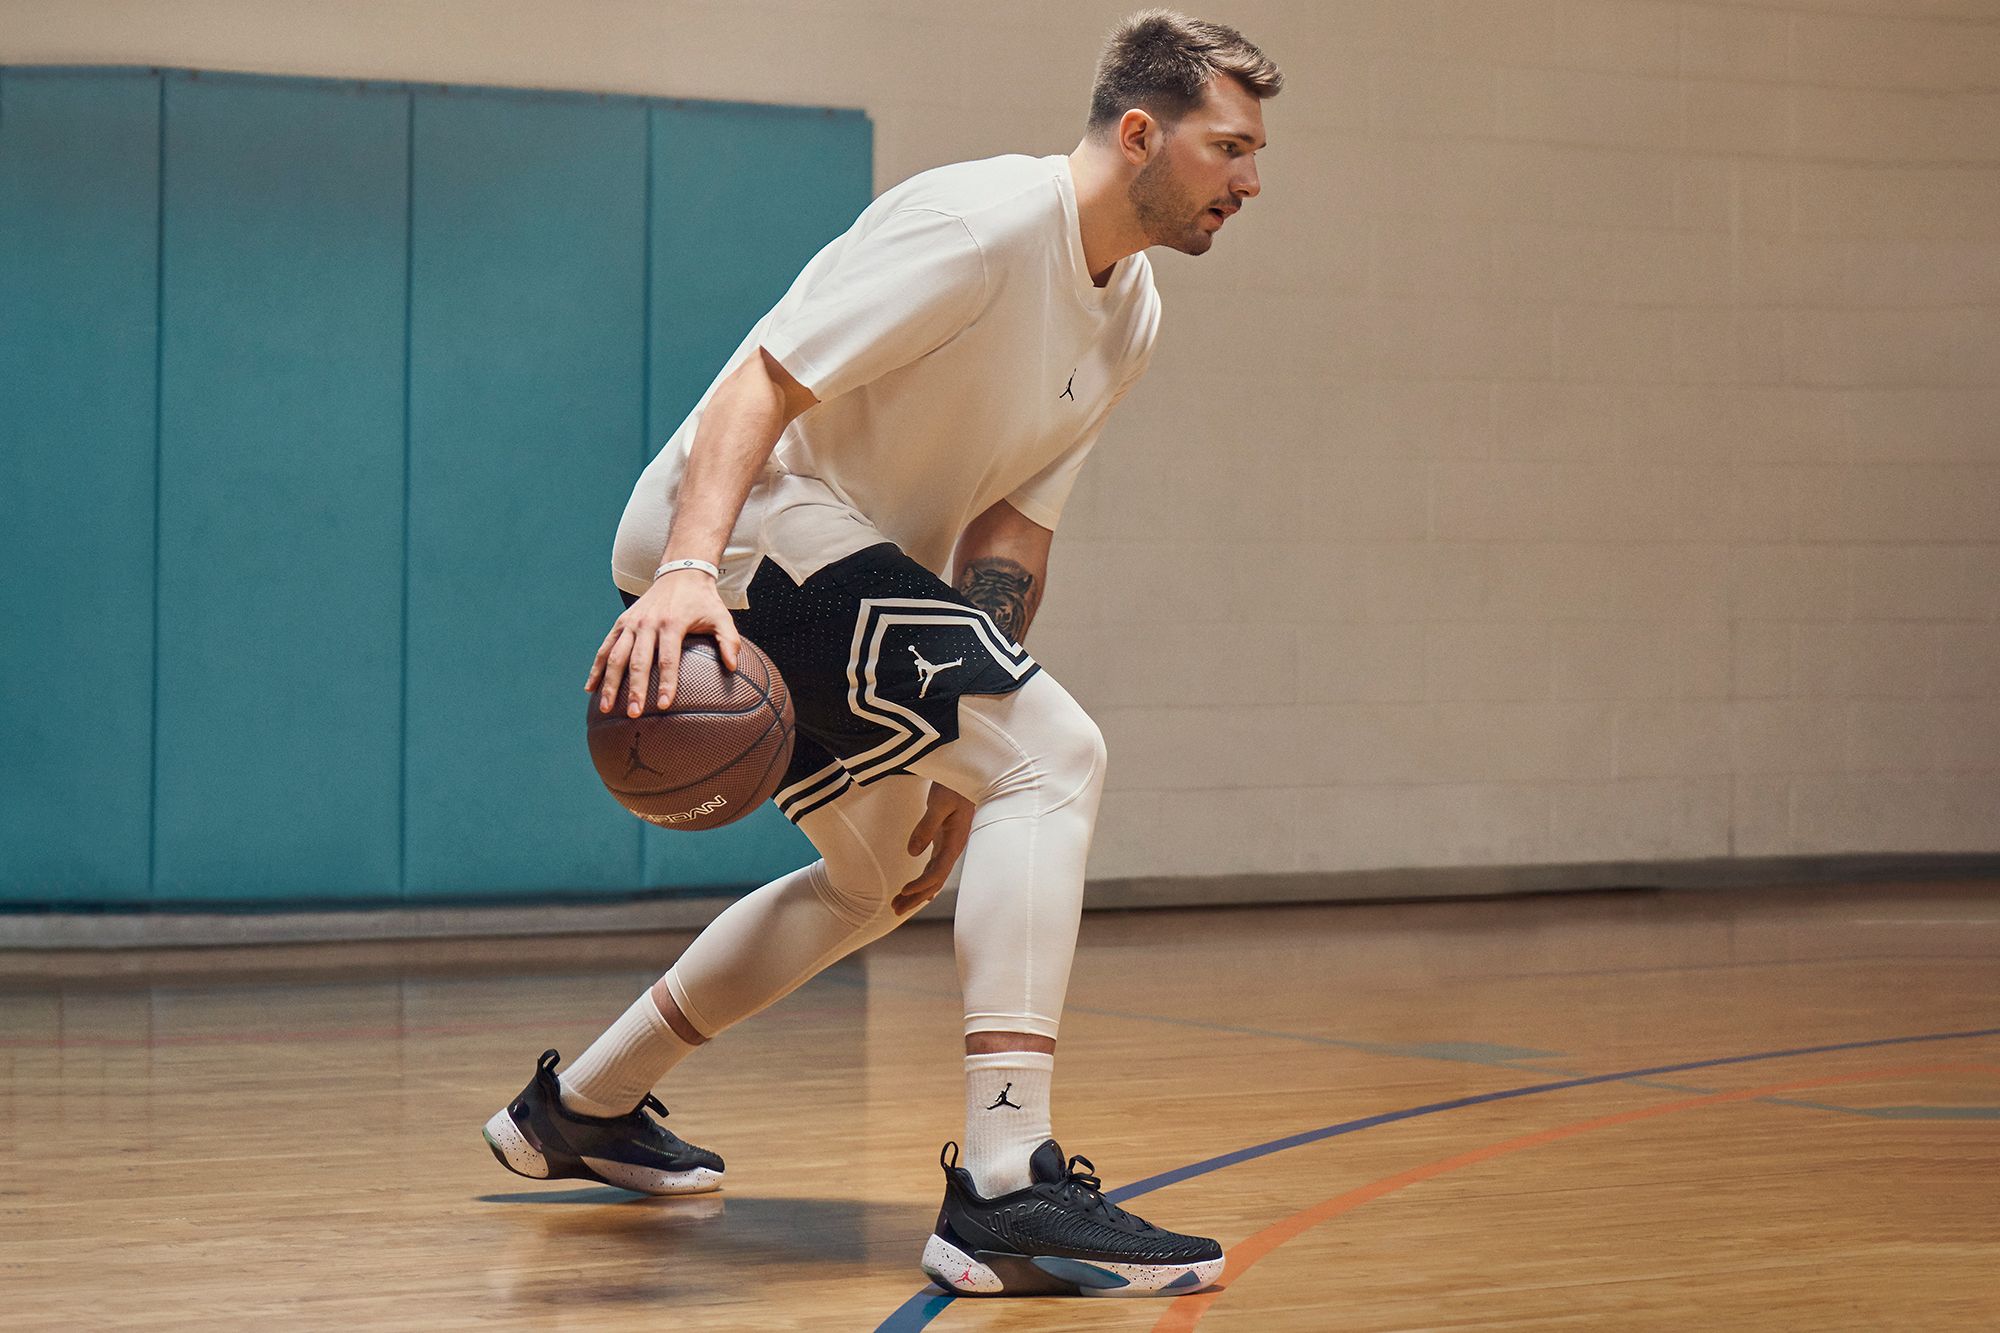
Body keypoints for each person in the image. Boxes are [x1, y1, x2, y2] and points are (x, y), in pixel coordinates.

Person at [482, 8, 1281, 1297]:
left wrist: (968, 753)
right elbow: (759, 385)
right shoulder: (977, 226)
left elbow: (1010, 534)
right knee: (1061, 759)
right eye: (1229, 148)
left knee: (878, 880)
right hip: (747, 528)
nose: (1250, 182)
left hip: (848, 570)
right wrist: (689, 572)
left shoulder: (1128, 312)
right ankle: (1008, 1185)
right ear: (1141, 132)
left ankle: (579, 1107)